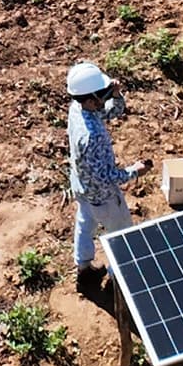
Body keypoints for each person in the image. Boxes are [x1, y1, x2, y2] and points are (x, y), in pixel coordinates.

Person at [65, 61, 142, 283]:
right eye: (103, 94)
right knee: (120, 234)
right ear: (91, 99)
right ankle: (116, 279)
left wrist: (115, 95)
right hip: (103, 196)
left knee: (85, 223)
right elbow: (104, 177)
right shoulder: (92, 137)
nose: (105, 97)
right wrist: (134, 171)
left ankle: (83, 266)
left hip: (81, 186)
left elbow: (110, 112)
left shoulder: (78, 108)